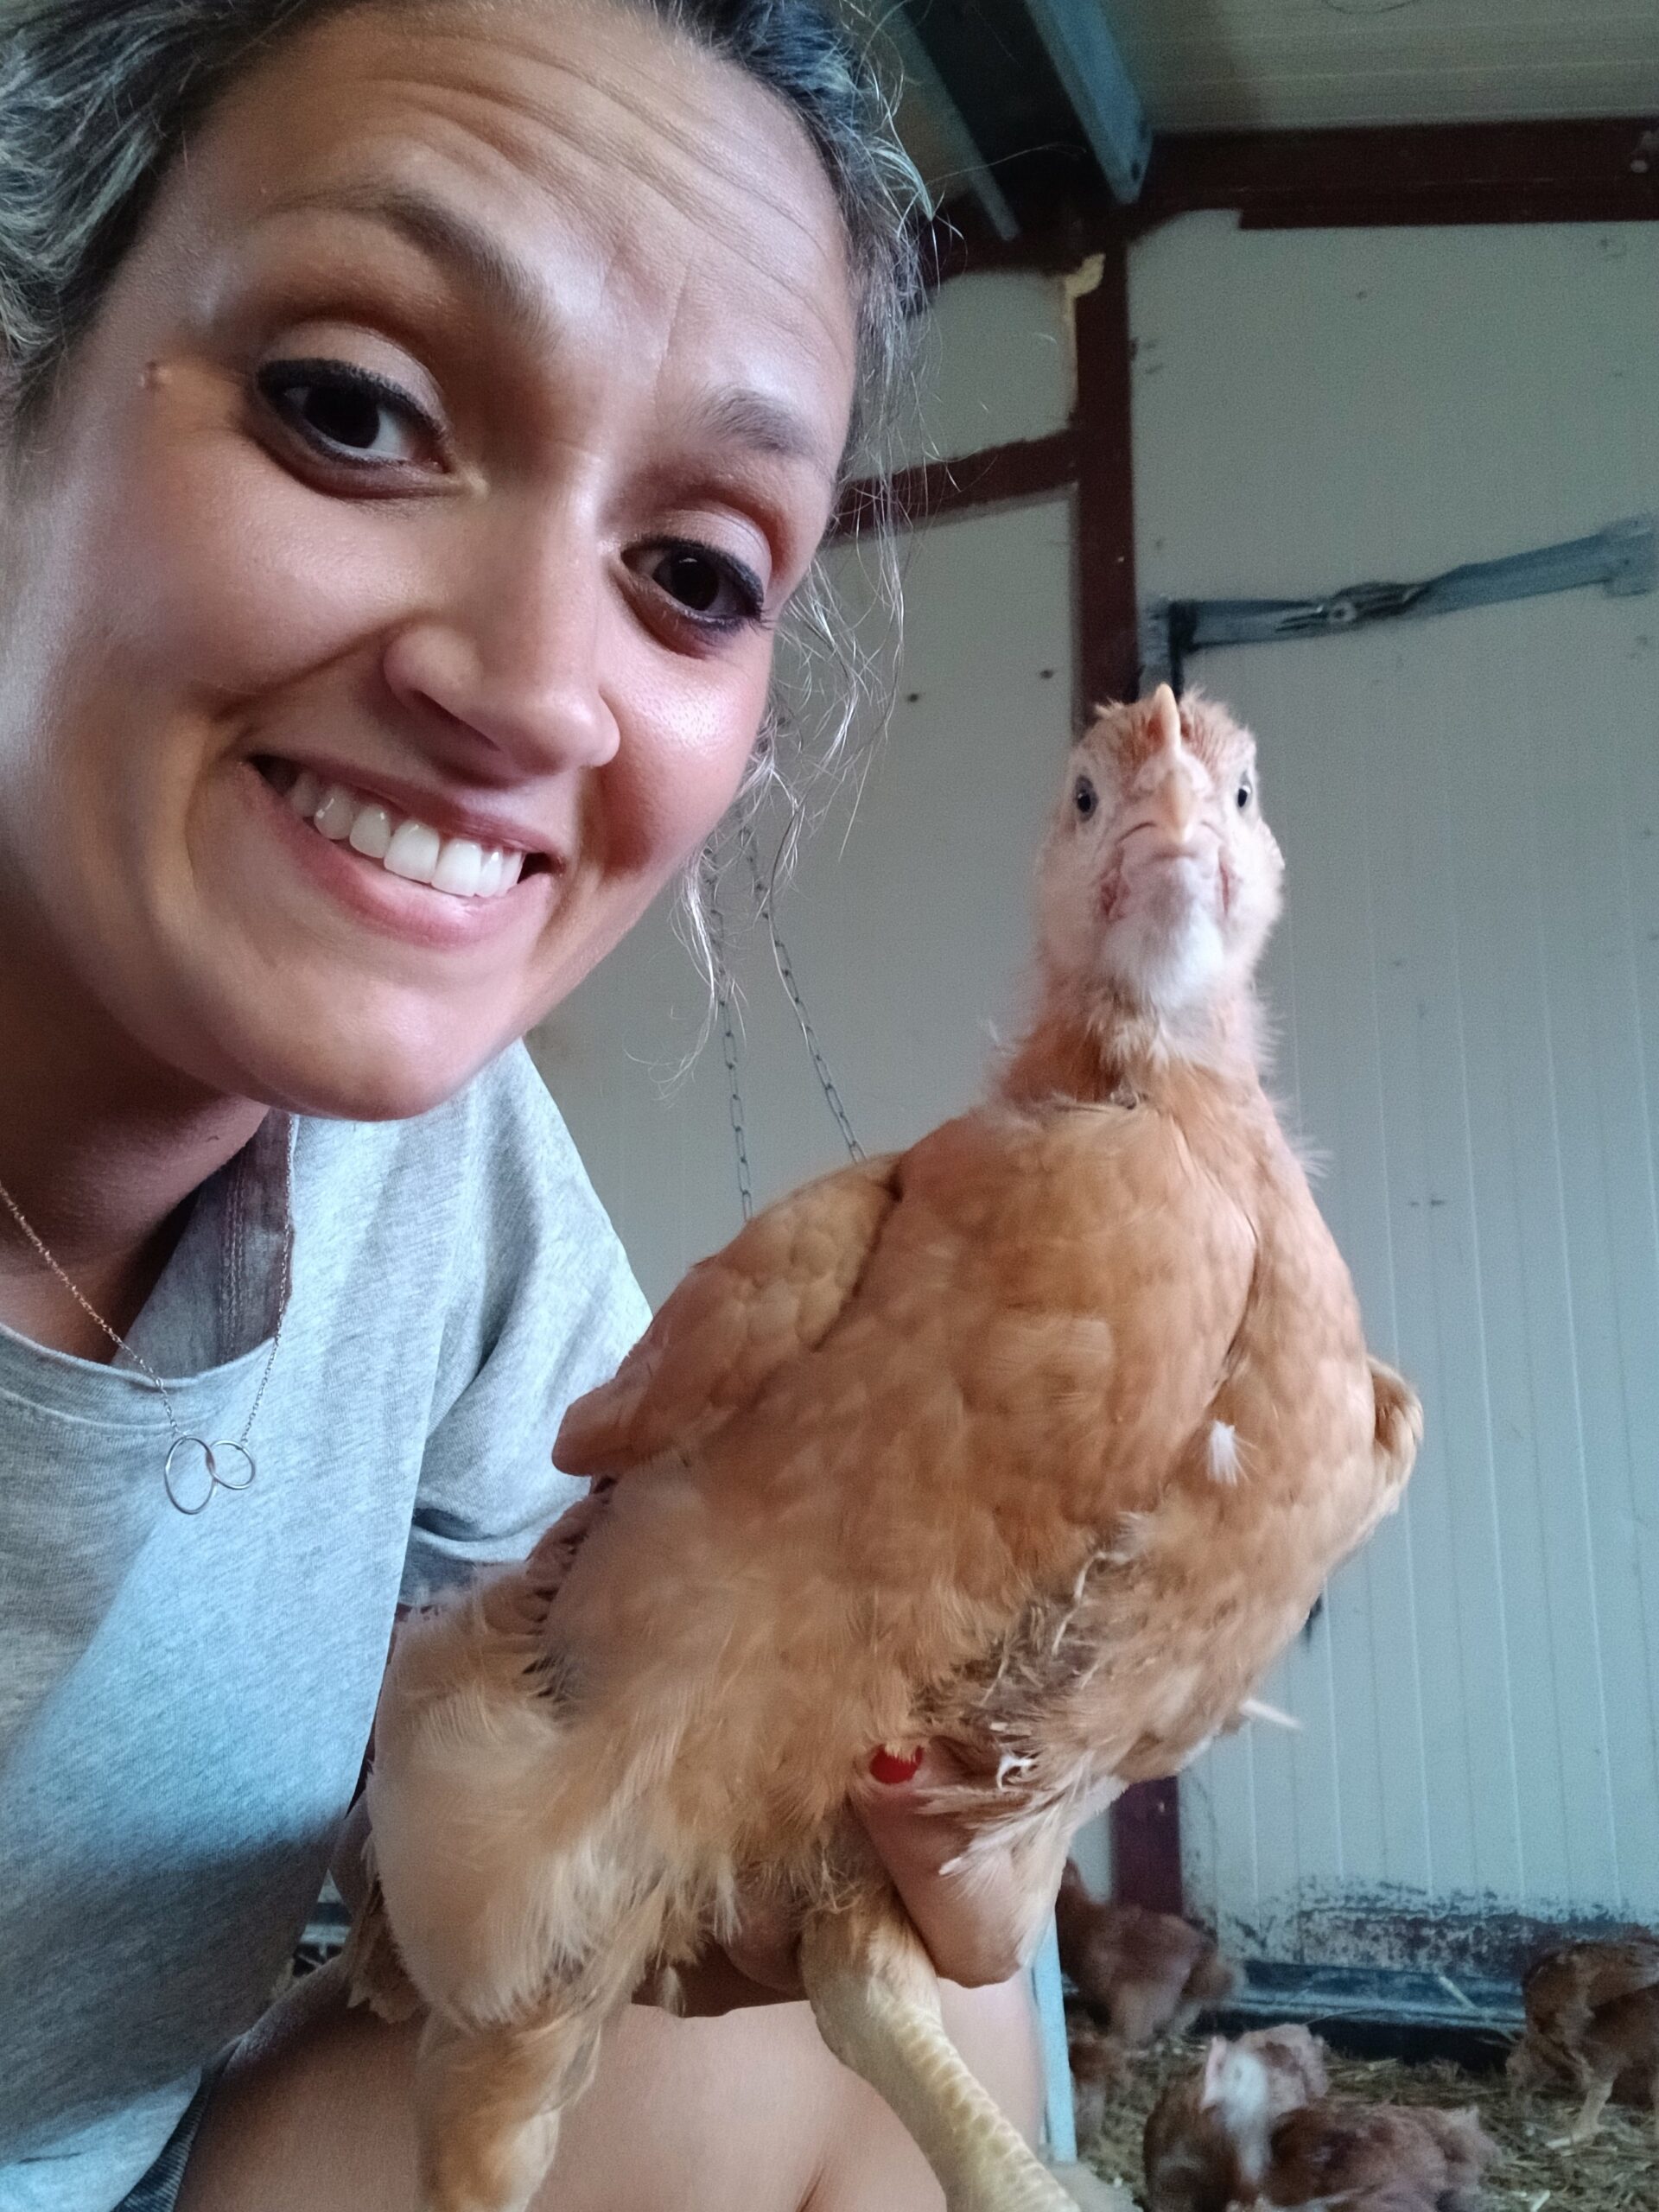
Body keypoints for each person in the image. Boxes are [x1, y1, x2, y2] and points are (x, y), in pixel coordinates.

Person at [0, 2, 1050, 2207]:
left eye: (695, 572)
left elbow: (552, 1716)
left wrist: (788, 1795)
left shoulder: (439, 1180)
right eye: (352, 408)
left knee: (876, 2006)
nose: (535, 689)